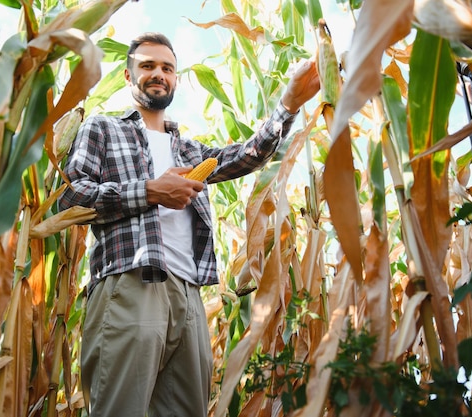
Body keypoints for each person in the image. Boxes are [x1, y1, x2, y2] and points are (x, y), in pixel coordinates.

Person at [58, 32, 319, 417]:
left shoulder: (190, 149)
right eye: (147, 66)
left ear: (175, 79)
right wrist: (150, 191)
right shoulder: (102, 129)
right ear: (129, 77)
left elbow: (247, 155)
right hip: (131, 283)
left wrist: (289, 103)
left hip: (190, 295)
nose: (158, 74)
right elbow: (71, 198)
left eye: (167, 68)